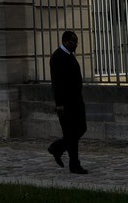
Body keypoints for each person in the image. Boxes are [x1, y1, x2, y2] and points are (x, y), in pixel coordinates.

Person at [48, 29, 88, 175]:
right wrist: (59, 104)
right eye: (73, 42)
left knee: (80, 129)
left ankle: (57, 148)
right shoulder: (58, 57)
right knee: (72, 133)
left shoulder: (69, 55)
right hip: (66, 104)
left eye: (76, 42)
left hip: (76, 101)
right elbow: (57, 83)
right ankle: (74, 164)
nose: (76, 45)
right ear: (65, 41)